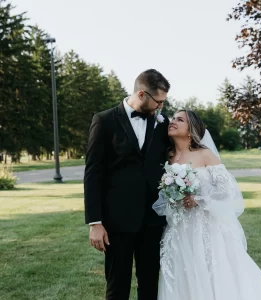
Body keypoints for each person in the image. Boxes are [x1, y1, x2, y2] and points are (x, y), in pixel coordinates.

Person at [153, 109, 261, 300]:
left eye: (179, 120)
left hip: (205, 227)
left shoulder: (204, 154)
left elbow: (227, 189)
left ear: (191, 130)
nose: (172, 121)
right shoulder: (168, 156)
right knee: (184, 272)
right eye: (173, 118)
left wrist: (198, 199)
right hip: (179, 228)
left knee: (212, 272)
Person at [84, 69, 171, 300]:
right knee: (117, 287)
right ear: (142, 94)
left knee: (150, 286)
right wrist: (95, 222)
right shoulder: (104, 121)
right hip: (117, 222)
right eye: (158, 101)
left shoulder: (162, 124)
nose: (160, 107)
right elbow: (93, 172)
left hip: (153, 221)